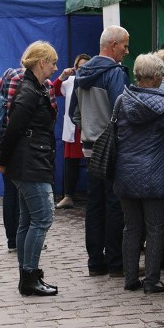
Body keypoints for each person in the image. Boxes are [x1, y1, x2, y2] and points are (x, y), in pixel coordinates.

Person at [114, 53, 164, 294]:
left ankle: (130, 279)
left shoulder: (121, 101)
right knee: (156, 228)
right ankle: (152, 281)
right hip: (156, 175)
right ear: (158, 77)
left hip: (126, 172)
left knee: (131, 227)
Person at [0, 41, 59, 297]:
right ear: (41, 62)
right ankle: (29, 275)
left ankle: (27, 274)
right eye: (53, 62)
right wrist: (3, 160)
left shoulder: (33, 87)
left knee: (28, 220)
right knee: (43, 217)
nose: (55, 67)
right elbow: (14, 129)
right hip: (30, 162)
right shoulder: (29, 90)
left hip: (28, 160)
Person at [70, 25, 129, 277]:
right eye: (125, 45)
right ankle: (116, 262)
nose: (127, 51)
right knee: (114, 204)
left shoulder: (82, 73)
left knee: (94, 205)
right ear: (113, 45)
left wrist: (89, 129)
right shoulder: (114, 73)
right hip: (111, 148)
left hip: (89, 147)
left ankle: (95, 261)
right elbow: (122, 111)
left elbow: (74, 113)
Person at [0, 65, 58, 250]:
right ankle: (30, 240)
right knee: (30, 199)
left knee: (10, 192)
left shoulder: (8, 74)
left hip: (5, 140)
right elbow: (52, 114)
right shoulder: (45, 85)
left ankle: (12, 240)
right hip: (32, 146)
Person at [53, 53, 90, 209]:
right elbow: (54, 90)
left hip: (89, 127)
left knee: (92, 163)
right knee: (71, 163)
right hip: (73, 128)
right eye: (80, 67)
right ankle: (68, 196)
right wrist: (62, 76)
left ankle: (93, 194)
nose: (82, 70)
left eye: (86, 67)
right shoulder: (70, 82)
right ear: (75, 68)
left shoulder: (94, 81)